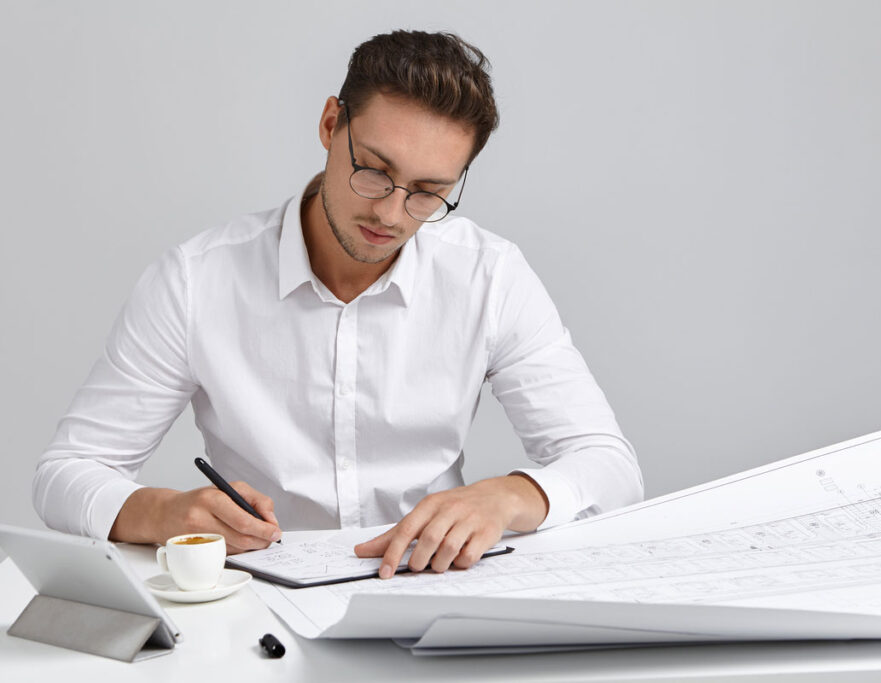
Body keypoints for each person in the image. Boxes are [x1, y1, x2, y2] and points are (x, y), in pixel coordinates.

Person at [33, 30, 642, 578]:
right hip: (260, 600)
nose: (390, 212)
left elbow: (610, 467)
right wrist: (163, 511)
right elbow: (65, 473)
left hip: (433, 589)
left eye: (429, 192)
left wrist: (508, 496)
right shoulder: (196, 280)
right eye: (374, 171)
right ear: (330, 125)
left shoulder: (490, 275)